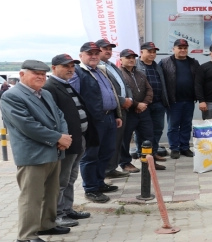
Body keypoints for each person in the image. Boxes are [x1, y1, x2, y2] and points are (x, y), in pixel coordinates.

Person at [1, 60, 73, 242]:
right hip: (33, 154)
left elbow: (60, 115)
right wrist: (58, 137)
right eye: (35, 73)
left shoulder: (45, 93)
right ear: (22, 74)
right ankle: (25, 235)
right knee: (31, 196)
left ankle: (46, 225)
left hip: (53, 151)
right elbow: (27, 126)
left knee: (51, 192)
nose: (40, 77)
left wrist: (63, 137)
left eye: (43, 74)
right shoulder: (12, 96)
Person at [43, 54, 97, 227]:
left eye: (72, 66)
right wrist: (60, 138)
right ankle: (57, 214)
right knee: (60, 180)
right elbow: (51, 117)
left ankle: (67, 209)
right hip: (65, 141)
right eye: (65, 66)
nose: (70, 69)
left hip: (78, 139)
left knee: (71, 177)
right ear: (53, 68)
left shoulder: (66, 85)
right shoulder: (50, 87)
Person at [69, 42, 122, 203]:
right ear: (81, 56)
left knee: (106, 152)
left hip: (109, 117)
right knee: (91, 155)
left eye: (95, 53)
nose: (93, 56)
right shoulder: (78, 72)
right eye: (89, 53)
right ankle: (91, 188)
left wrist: (116, 114)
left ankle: (99, 183)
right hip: (93, 121)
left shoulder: (100, 70)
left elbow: (111, 93)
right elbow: (73, 98)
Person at [118, 49, 162, 171]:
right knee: (125, 138)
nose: (131, 59)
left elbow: (149, 90)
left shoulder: (140, 73)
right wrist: (136, 104)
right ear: (121, 59)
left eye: (133, 57)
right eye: (128, 57)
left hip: (143, 111)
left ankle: (149, 161)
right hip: (128, 111)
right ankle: (125, 163)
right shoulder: (119, 74)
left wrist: (144, 104)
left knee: (148, 136)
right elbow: (121, 93)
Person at [96, 39, 133, 178]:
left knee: (117, 141)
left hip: (123, 109)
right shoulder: (97, 67)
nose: (108, 51)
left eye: (110, 49)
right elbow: (105, 90)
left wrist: (130, 99)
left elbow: (125, 85)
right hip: (111, 109)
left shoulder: (112, 65)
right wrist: (122, 100)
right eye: (104, 48)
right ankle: (106, 170)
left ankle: (111, 168)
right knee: (109, 142)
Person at [160, 38, 199, 159]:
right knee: (173, 125)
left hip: (189, 100)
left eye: (185, 48)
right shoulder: (164, 62)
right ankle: (174, 148)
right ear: (174, 49)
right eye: (180, 48)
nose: (183, 50)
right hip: (173, 101)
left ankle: (185, 147)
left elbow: (198, 80)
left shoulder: (193, 62)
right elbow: (160, 80)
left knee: (186, 124)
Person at [137, 42, 169, 163]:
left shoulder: (157, 66)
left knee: (158, 129)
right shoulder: (136, 65)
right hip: (143, 104)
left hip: (158, 103)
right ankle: (143, 155)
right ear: (142, 52)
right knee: (143, 131)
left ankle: (153, 152)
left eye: (154, 52)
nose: (152, 54)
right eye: (149, 51)